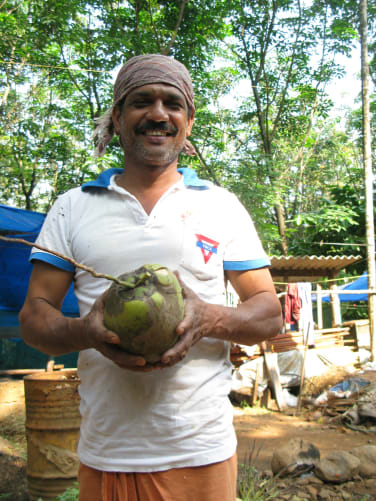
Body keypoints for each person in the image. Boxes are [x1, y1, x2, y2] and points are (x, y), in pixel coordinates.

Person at [19, 54, 282, 501]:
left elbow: (269, 315)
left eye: (172, 104)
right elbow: (33, 320)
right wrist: (85, 330)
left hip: (201, 451)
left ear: (188, 121)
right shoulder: (72, 207)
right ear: (117, 118)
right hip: (107, 452)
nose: (158, 114)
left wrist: (206, 318)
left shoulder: (221, 206)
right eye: (142, 101)